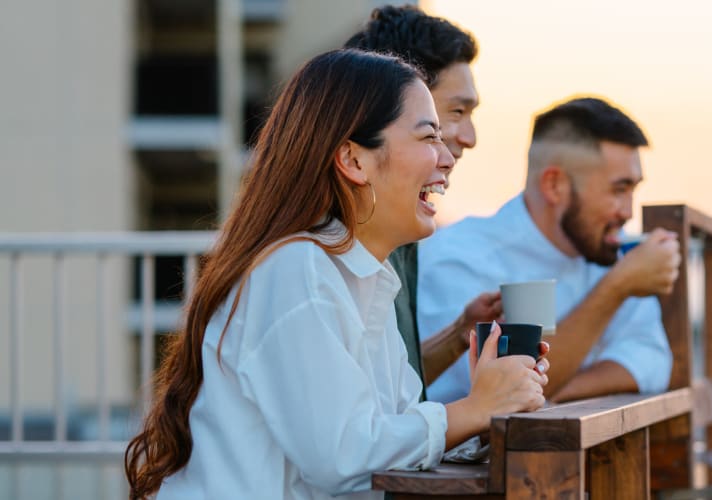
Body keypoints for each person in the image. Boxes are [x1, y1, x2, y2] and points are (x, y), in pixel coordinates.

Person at [124, 49, 548, 500]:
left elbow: (387, 438)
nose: (446, 159)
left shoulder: (366, 274)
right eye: (428, 138)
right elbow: (342, 458)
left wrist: (490, 411)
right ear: (353, 160)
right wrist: (474, 409)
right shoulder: (294, 269)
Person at [418, 97, 681, 404]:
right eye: (618, 190)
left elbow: (651, 362)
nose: (628, 212)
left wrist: (553, 394)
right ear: (554, 185)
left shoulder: (612, 250)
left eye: (633, 190)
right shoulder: (458, 258)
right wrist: (616, 288)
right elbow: (492, 393)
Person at [344, 5, 498, 390]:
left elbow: (384, 386)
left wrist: (461, 332)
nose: (469, 138)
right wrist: (481, 410)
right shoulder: (326, 256)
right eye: (457, 111)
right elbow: (354, 437)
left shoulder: (395, 231)